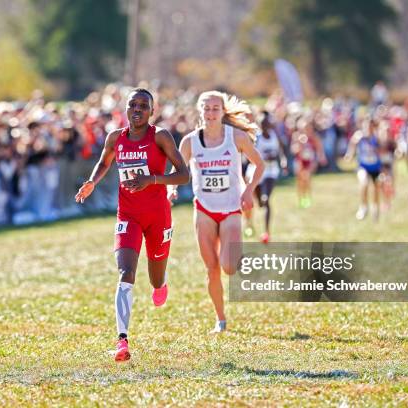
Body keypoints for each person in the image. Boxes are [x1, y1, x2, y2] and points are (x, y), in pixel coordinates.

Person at [75, 88, 189, 362]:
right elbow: (104, 162)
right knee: (126, 272)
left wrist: (152, 180)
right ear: (125, 109)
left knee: (155, 277)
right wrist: (92, 181)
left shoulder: (160, 136)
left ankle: (160, 285)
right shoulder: (116, 137)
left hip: (158, 215)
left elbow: (183, 175)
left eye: (143, 106)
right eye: (132, 105)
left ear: (152, 111)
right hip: (128, 214)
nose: (137, 109)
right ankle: (122, 340)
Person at [168, 91, 264, 333]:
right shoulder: (190, 141)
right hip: (204, 209)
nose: (211, 113)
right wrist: (171, 189)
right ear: (200, 111)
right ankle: (220, 320)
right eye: (207, 109)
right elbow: (177, 171)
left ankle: (233, 255)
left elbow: (259, 164)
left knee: (229, 267)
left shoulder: (237, 137)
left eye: (215, 108)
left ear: (222, 112)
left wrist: (249, 190)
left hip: (231, 206)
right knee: (211, 268)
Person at [244, 111, 287, 243]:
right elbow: (250, 156)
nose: (266, 126)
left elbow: (280, 151)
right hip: (256, 172)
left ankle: (267, 232)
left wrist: (283, 161)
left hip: (271, 171)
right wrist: (263, 158)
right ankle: (249, 223)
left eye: (267, 123)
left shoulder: (275, 136)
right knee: (257, 202)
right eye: (263, 124)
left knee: (266, 199)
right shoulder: (257, 138)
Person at [345, 119, 382, 220]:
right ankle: (363, 207)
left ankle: (375, 207)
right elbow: (352, 144)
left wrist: (374, 146)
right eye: (366, 126)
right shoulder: (359, 136)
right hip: (363, 166)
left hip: (375, 167)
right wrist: (349, 155)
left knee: (376, 189)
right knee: (364, 183)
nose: (368, 129)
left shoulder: (376, 137)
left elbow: (381, 151)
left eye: (370, 126)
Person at [290, 117, 326, 208]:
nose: (306, 130)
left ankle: (307, 198)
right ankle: (301, 198)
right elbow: (293, 150)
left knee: (307, 178)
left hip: (310, 161)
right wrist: (299, 145)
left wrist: (321, 158)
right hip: (300, 161)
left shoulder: (314, 137)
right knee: (300, 181)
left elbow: (319, 149)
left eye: (308, 127)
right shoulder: (296, 136)